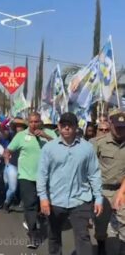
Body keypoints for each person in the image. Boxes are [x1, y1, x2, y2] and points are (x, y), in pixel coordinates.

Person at [37, 112, 103, 255]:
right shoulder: (49, 148)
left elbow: (94, 174)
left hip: (80, 200)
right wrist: (43, 198)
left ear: (76, 128)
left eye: (70, 125)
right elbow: (42, 175)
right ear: (59, 127)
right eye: (63, 125)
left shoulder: (87, 148)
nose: (66, 128)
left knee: (83, 237)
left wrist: (98, 198)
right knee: (54, 236)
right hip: (55, 200)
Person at [5, 112, 56, 249]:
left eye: (37, 121)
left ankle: (39, 218)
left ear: (41, 122)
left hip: (46, 177)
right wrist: (7, 162)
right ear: (28, 123)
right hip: (26, 176)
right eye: (31, 122)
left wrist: (45, 136)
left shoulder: (49, 133)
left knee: (43, 205)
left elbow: (59, 146)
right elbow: (8, 149)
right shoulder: (21, 136)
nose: (34, 124)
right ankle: (33, 234)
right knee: (30, 205)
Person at [92, 109, 125, 255]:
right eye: (117, 127)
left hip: (122, 189)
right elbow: (89, 168)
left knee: (123, 224)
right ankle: (101, 246)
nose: (119, 130)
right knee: (100, 226)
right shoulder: (99, 143)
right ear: (111, 125)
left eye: (123, 128)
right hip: (102, 190)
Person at [2, 118, 27, 213]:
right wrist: (7, 162)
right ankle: (7, 202)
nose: (18, 127)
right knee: (12, 188)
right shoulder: (12, 135)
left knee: (23, 187)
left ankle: (21, 203)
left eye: (20, 125)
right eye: (16, 126)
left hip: (25, 166)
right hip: (13, 165)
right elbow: (3, 132)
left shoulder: (29, 137)